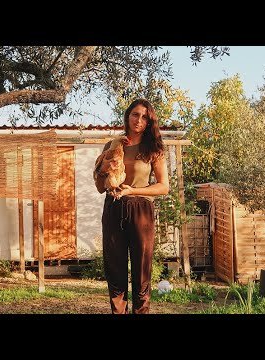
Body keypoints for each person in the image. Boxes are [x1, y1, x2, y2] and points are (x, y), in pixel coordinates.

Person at [93, 98, 169, 314]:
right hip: (113, 207)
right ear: (127, 116)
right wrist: (102, 169)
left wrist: (132, 190)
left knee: (141, 271)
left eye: (144, 117)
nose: (139, 120)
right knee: (114, 270)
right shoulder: (111, 145)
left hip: (140, 211)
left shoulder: (154, 148)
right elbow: (100, 186)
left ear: (149, 122)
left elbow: (163, 187)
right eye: (135, 114)